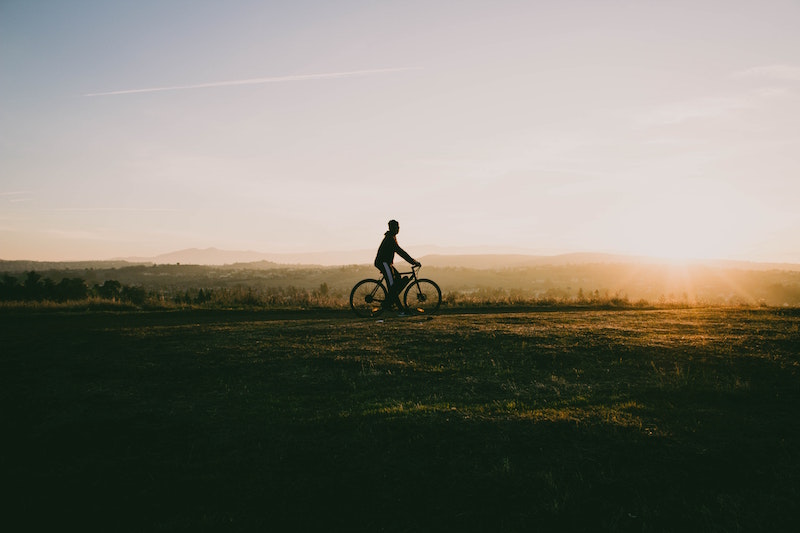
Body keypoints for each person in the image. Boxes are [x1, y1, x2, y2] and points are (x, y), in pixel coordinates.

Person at [374, 219, 420, 315]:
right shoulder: (390, 239)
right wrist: (413, 261)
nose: (398, 229)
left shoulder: (391, 237)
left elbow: (400, 251)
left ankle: (390, 302)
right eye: (396, 227)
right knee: (393, 288)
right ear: (392, 228)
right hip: (384, 264)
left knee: (398, 278)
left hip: (387, 264)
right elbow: (400, 252)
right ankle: (399, 308)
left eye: (398, 227)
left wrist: (412, 261)